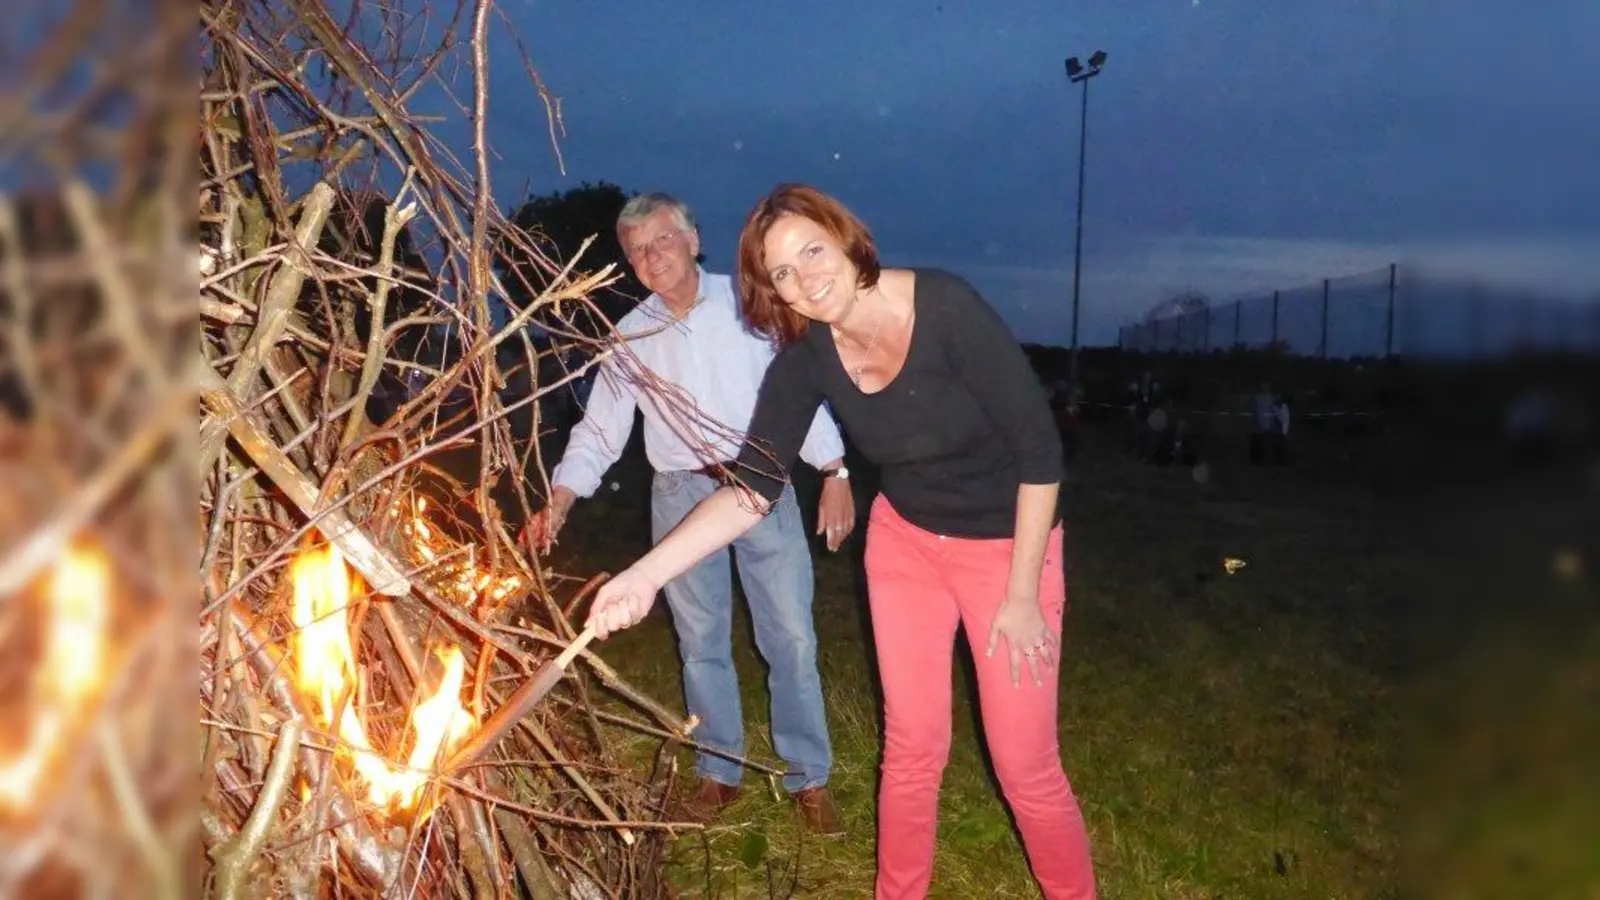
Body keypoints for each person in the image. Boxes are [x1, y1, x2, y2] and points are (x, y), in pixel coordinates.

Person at [582, 184, 1097, 899]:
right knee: (913, 751)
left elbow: (1041, 454)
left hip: (1008, 549)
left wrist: (1020, 595)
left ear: (847, 237)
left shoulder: (946, 307)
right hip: (906, 546)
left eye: (811, 251)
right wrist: (643, 575)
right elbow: (752, 487)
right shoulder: (807, 359)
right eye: (782, 273)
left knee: (1024, 766)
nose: (804, 279)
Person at [529, 192, 856, 834]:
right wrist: (561, 497)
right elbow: (599, 432)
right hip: (678, 494)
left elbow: (800, 394)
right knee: (700, 641)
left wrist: (834, 469)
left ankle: (808, 777)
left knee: (788, 635)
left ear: (693, 239)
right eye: (637, 250)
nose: (653, 257)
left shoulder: (750, 307)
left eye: (663, 240)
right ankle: (719, 772)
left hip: (762, 482)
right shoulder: (631, 337)